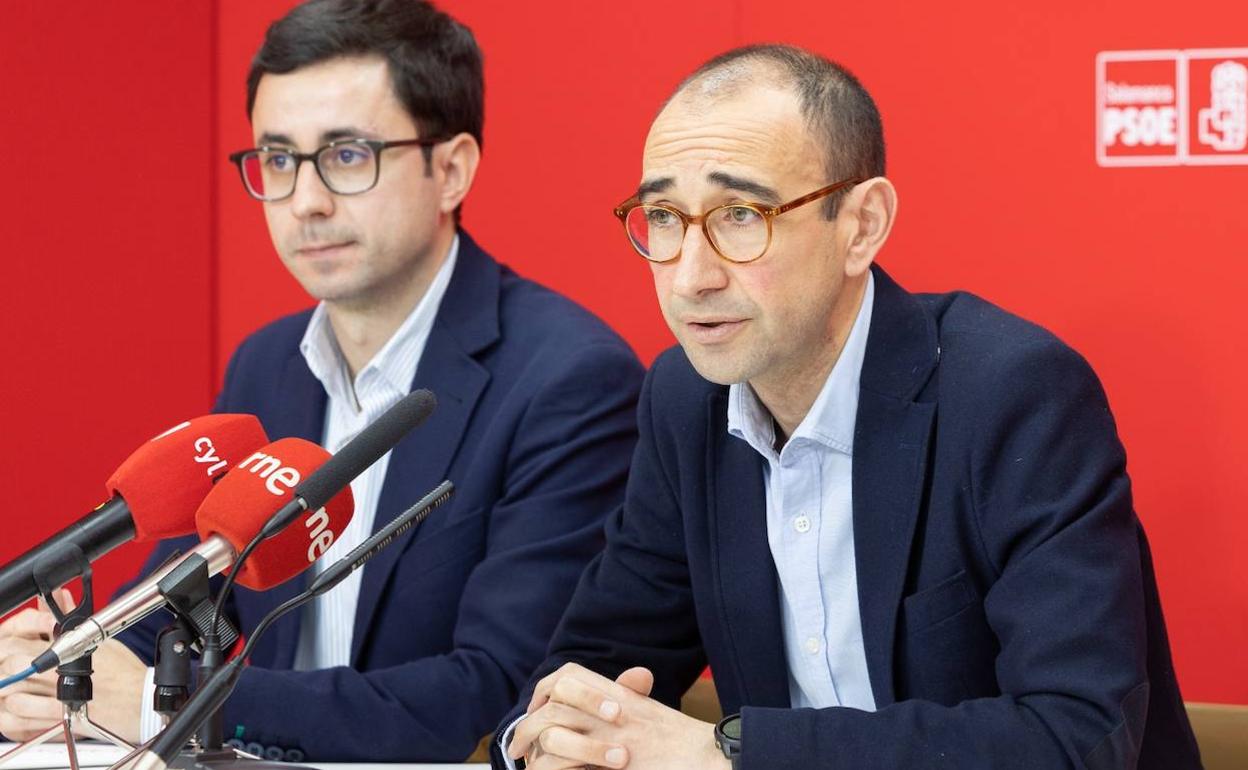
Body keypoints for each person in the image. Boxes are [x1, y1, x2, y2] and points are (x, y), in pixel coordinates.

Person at [494, 44, 1201, 769]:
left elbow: (1076, 735)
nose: (689, 277)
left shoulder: (1012, 394)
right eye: (664, 216)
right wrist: (543, 741)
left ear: (861, 225)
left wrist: (730, 755)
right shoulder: (685, 400)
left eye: (740, 214)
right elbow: (599, 657)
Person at [0, 0, 642, 762]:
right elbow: (181, 608)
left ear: (451, 169)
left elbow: (498, 693)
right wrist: (64, 660)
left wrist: (154, 699)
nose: (305, 201)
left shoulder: (568, 381)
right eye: (278, 160)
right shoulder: (268, 365)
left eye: (347, 155)